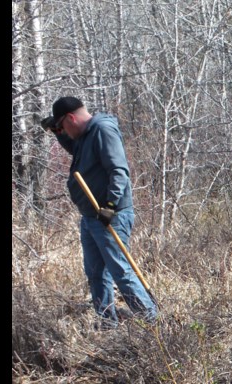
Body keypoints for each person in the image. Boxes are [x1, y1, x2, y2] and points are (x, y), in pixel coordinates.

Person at [42, 96, 157, 327]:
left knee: (120, 272)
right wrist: (58, 132)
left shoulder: (103, 130)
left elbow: (119, 170)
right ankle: (107, 326)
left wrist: (111, 206)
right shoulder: (85, 135)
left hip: (109, 216)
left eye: (63, 125)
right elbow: (76, 147)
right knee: (96, 274)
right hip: (91, 217)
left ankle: (151, 326)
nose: (64, 130)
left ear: (72, 118)